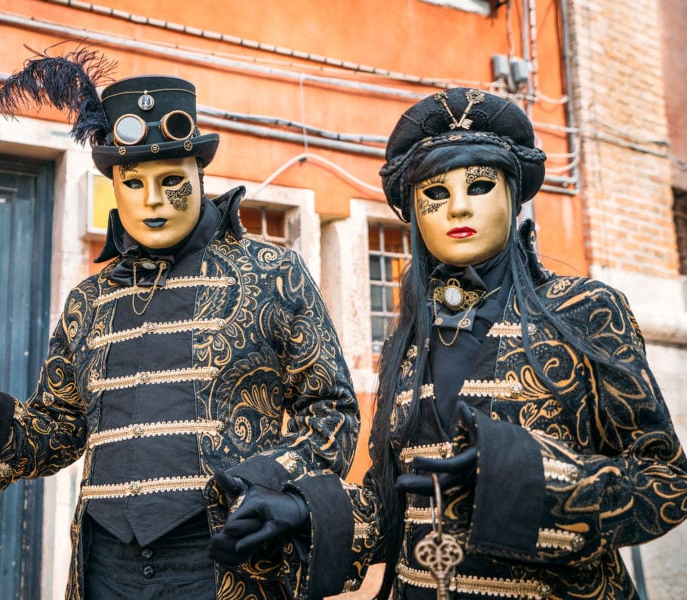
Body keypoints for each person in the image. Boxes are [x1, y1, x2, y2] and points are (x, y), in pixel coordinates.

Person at [0, 48, 359, 599]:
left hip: (225, 563)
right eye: (135, 183)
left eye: (171, 180)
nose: (153, 201)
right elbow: (54, 432)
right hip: (105, 570)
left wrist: (268, 485)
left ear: (199, 174)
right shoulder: (88, 301)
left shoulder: (273, 273)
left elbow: (331, 413)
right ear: (115, 186)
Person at [210, 88, 687, 599]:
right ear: (415, 211)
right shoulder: (410, 339)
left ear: (513, 196)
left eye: (479, 186)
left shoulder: (584, 309)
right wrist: (305, 510)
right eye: (436, 193)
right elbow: (397, 502)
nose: (458, 207)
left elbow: (665, 482)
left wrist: (526, 480)